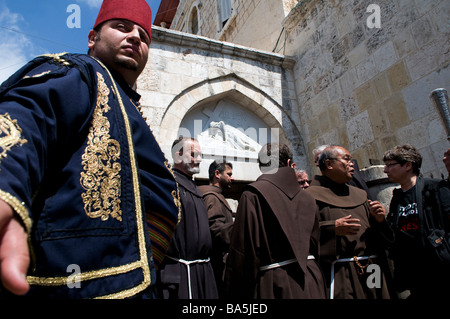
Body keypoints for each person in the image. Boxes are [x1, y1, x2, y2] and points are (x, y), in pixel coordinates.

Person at [0, 0, 182, 299]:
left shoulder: (130, 109)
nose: (135, 36)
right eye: (122, 27)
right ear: (92, 38)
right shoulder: (80, 72)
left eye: (144, 36)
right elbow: (30, 115)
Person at [224, 143, 327, 299]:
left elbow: (243, 252)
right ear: (288, 163)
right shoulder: (308, 197)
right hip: (312, 282)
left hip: (274, 286)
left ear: (261, 167)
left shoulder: (252, 195)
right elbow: (315, 244)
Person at [306, 145, 393, 299]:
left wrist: (380, 221)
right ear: (329, 164)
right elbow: (302, 236)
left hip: (372, 268)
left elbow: (380, 239)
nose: (351, 163)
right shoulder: (309, 197)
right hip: (339, 272)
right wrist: (332, 229)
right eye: (346, 159)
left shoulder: (360, 194)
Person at [383, 144, 450, 299]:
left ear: (408, 165)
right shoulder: (397, 198)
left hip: (440, 271)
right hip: (415, 276)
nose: (385, 170)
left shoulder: (435, 188)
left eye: (390, 165)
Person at [157, 136, 218, 299]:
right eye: (193, 154)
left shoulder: (195, 188)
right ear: (178, 156)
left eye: (200, 155)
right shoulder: (169, 185)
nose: (198, 159)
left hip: (203, 272)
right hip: (182, 274)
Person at [198, 161, 234, 297]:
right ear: (217, 174)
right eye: (229, 174)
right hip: (217, 266)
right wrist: (241, 227)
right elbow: (215, 228)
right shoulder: (211, 197)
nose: (232, 178)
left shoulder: (215, 195)